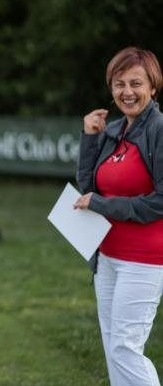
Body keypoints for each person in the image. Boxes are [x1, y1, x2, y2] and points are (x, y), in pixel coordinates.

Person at [75, 46, 163, 386]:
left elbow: (160, 200)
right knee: (114, 348)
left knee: (126, 348)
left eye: (136, 83)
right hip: (108, 257)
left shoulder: (158, 130)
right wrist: (89, 139)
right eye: (119, 83)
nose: (127, 92)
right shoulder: (114, 130)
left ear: (153, 87)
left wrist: (103, 205)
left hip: (145, 259)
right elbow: (87, 186)